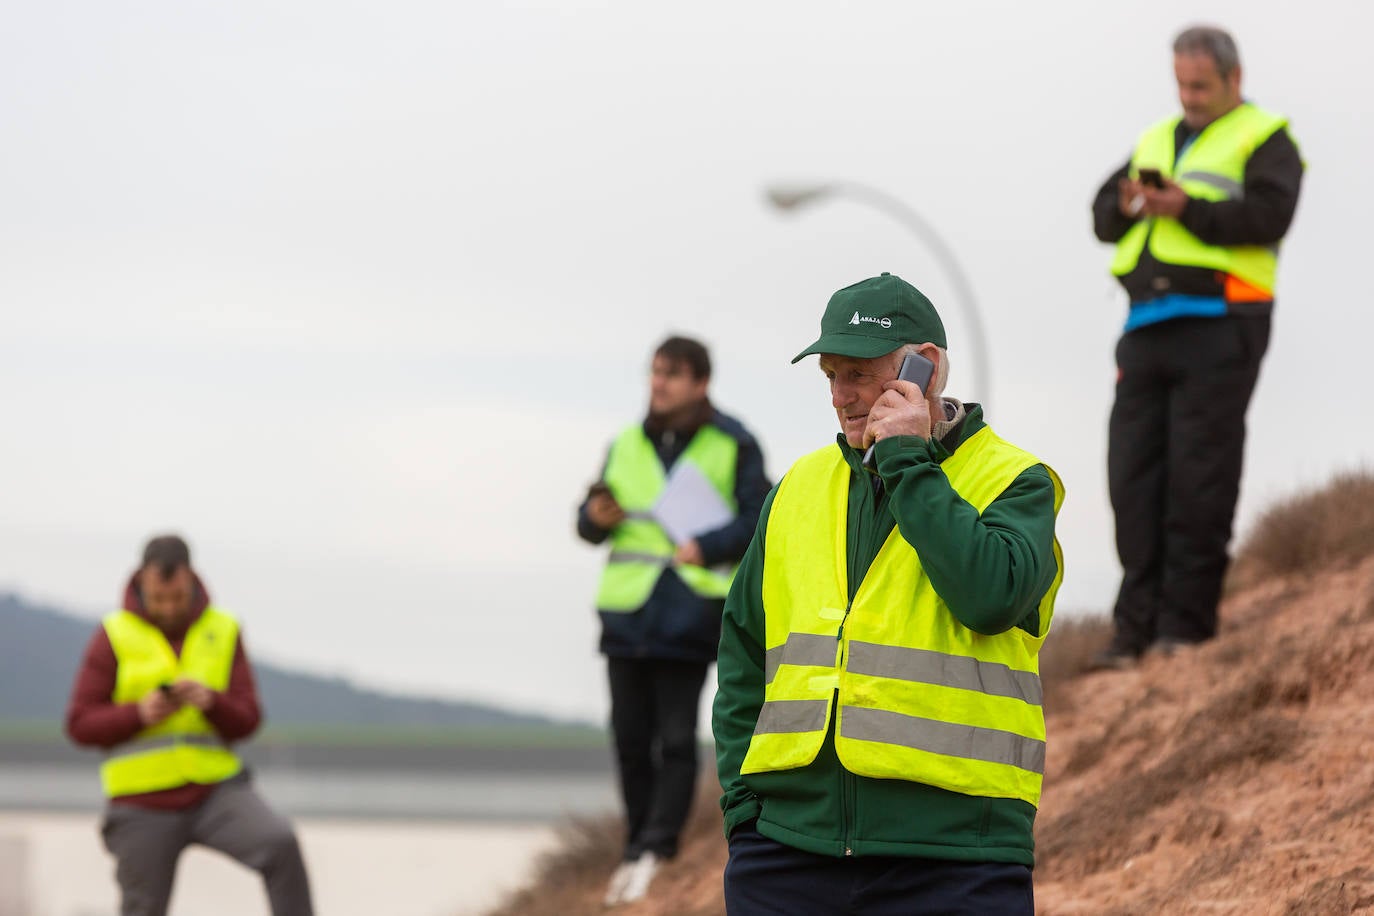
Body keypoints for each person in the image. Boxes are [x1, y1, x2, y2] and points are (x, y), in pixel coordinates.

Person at [713, 272, 1064, 915]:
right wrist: (745, 814)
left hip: (957, 859)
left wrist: (907, 458)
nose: (842, 397)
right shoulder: (798, 487)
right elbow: (741, 655)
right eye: (830, 376)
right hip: (787, 854)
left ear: (923, 368)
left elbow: (990, 598)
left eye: (860, 374)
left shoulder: (1016, 481)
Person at [1091, 25, 1304, 667]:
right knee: (1132, 480)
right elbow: (1101, 215)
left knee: (1198, 478)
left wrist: (1184, 208)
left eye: (1200, 85)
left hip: (1224, 320)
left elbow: (1271, 216)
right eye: (1181, 83)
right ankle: (1131, 635)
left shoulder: (1267, 139)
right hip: (1146, 326)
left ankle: (1184, 632)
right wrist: (1132, 201)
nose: (1188, 96)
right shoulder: (1157, 138)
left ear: (1234, 79)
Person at [577, 335, 770, 906]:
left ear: (700, 382)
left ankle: (659, 848)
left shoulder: (735, 442)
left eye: (672, 374)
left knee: (675, 738)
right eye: (655, 372)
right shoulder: (625, 444)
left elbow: (760, 515)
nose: (658, 382)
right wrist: (593, 516)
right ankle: (635, 847)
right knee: (629, 740)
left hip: (690, 609)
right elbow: (588, 523)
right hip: (627, 610)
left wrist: (707, 544)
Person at [65, 534, 314, 916]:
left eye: (177, 598)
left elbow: (248, 720)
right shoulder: (113, 634)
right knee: (142, 908)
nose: (168, 607)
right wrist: (138, 713)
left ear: (191, 579)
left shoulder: (224, 628)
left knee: (280, 844)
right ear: (142, 581)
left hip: (216, 792)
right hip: (141, 801)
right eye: (158, 598)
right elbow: (79, 724)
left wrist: (212, 703)